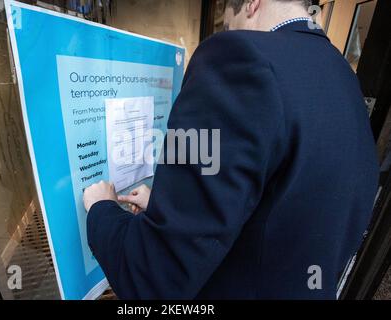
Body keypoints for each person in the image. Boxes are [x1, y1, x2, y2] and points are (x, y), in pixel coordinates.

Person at [82, 0, 379, 299]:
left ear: (251, 3)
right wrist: (169, 207)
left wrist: (102, 208)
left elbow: (153, 278)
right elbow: (282, 208)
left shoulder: (239, 59)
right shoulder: (341, 72)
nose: (228, 32)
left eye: (226, 25)